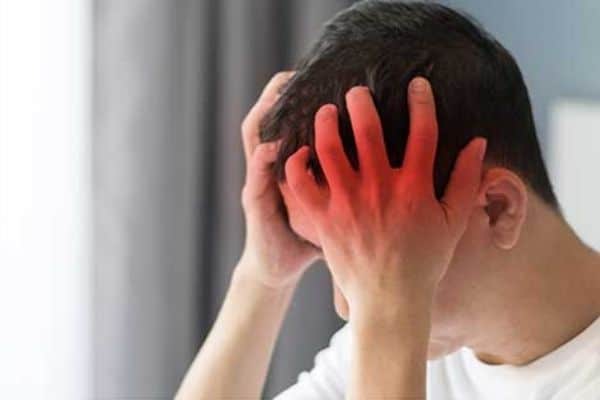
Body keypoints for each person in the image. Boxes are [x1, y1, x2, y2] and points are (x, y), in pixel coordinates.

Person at [176, 1, 600, 399]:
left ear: (497, 209)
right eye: (333, 255)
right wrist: (264, 278)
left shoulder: (392, 324)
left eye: (378, 252)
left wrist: (389, 309)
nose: (347, 308)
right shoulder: (394, 333)